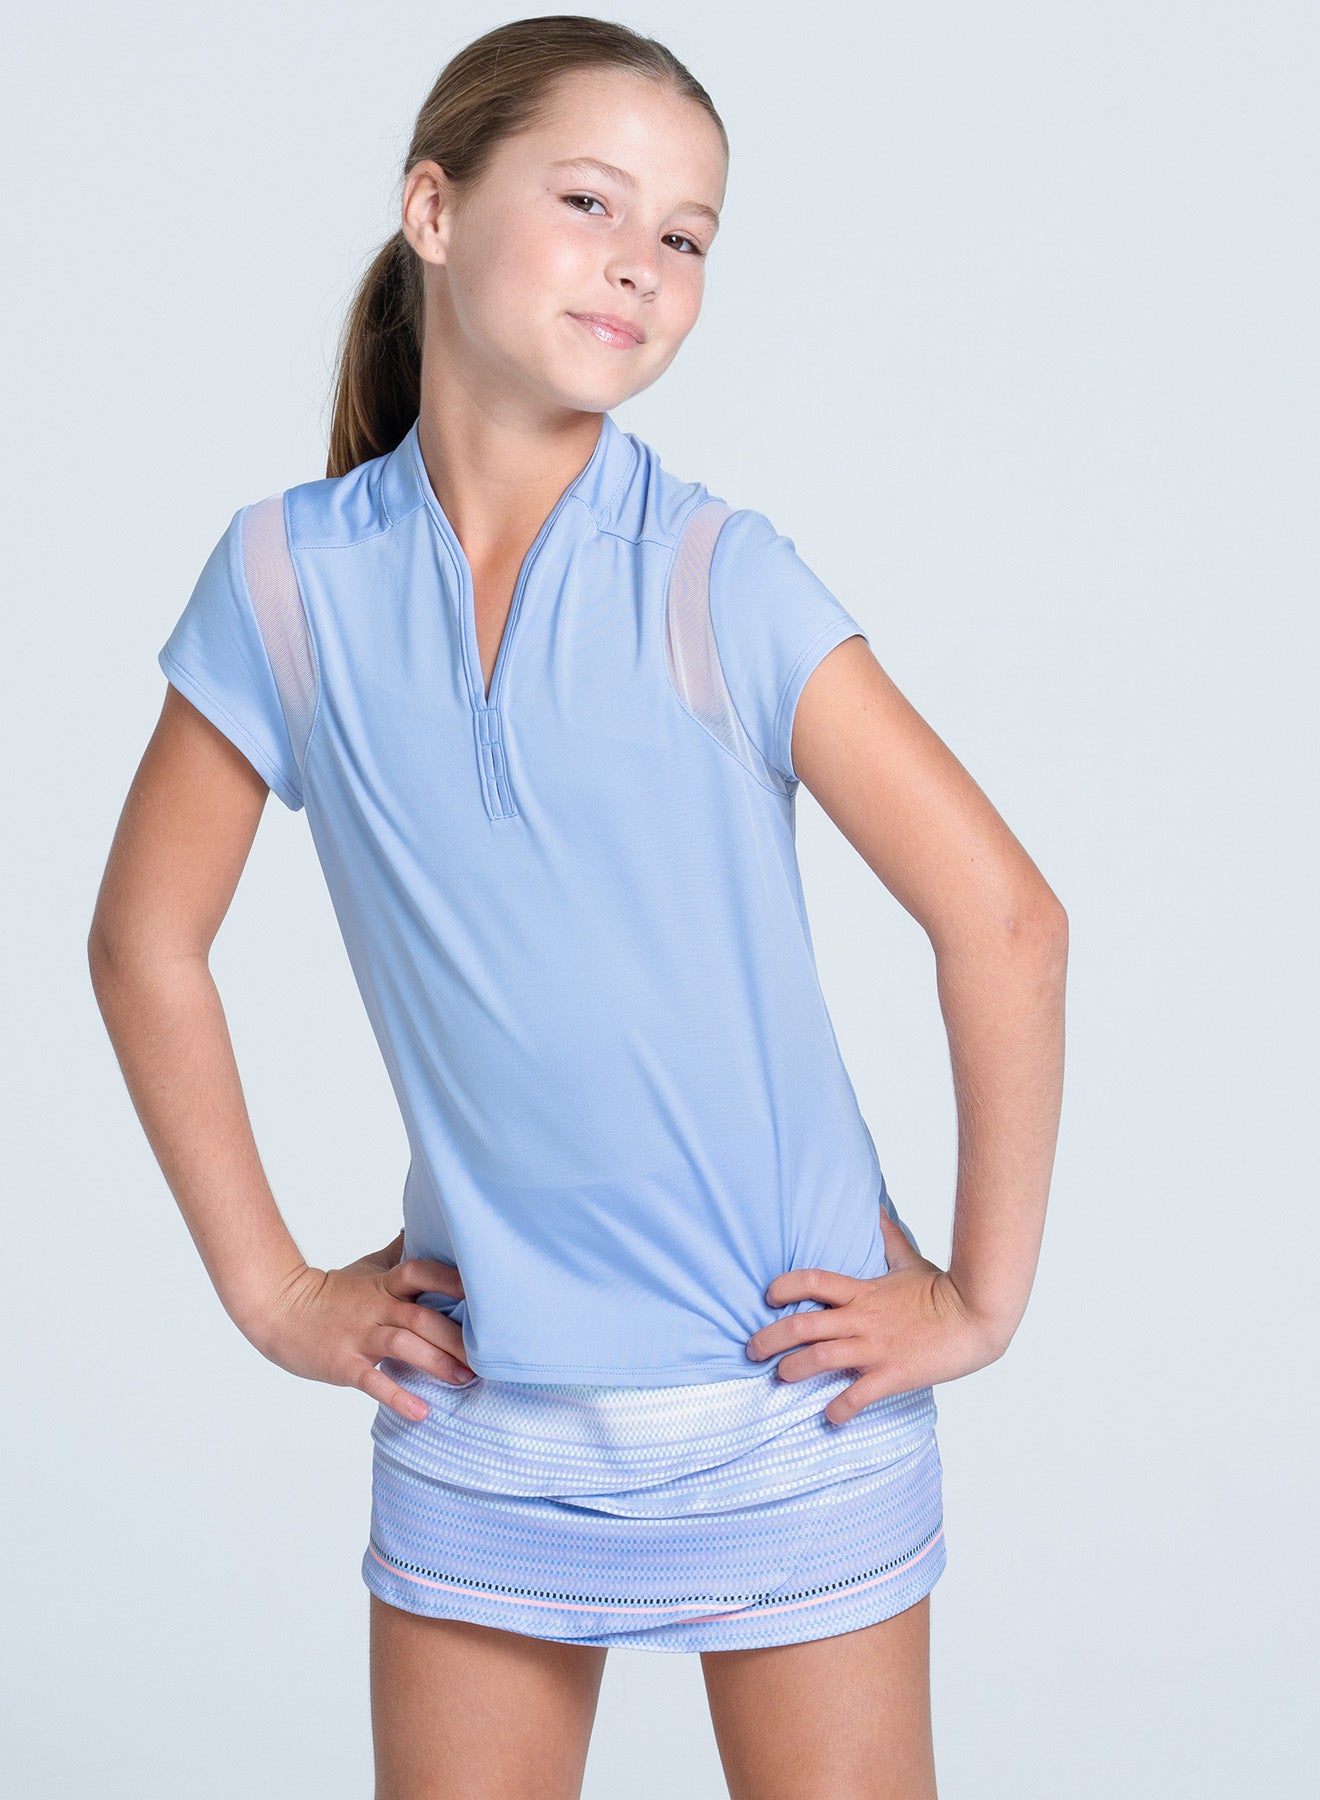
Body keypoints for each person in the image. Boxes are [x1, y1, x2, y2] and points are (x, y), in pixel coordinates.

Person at [89, 16, 1067, 1799]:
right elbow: (144, 943)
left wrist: (979, 1299)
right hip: (485, 1421)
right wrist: (274, 1291)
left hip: (787, 1403)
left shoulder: (715, 579)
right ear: (434, 210)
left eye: (686, 234)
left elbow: (1006, 920)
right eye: (592, 201)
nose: (642, 262)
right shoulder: (284, 585)